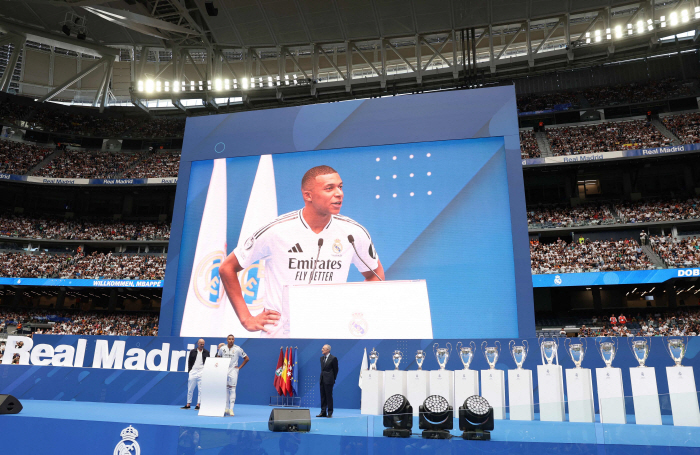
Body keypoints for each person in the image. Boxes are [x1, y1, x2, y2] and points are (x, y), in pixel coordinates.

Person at [220, 165, 385, 338]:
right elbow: (227, 268)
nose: (339, 193)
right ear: (308, 195)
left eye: (340, 187)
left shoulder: (353, 232)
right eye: (329, 188)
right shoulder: (276, 230)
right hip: (281, 336)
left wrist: (356, 309)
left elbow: (375, 274)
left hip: (331, 333)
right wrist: (246, 319)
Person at [217, 334, 249, 416]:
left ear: (234, 340)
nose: (231, 340)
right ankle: (226, 408)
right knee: (225, 389)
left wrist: (239, 368)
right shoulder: (222, 348)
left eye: (232, 339)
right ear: (227, 340)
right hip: (224, 370)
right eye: (229, 339)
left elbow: (246, 358)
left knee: (232, 389)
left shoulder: (238, 349)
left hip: (233, 370)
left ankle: (231, 409)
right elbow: (218, 357)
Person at [182, 338, 209, 410]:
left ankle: (198, 405)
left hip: (202, 371)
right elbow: (189, 362)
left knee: (201, 389)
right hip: (193, 371)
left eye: (203, 344)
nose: (202, 345)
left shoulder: (206, 352)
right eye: (201, 344)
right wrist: (190, 371)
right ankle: (188, 404)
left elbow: (208, 363)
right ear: (198, 344)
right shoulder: (192, 351)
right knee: (190, 388)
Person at [318, 344, 338, 418]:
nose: (322, 350)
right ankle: (323, 412)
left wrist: (332, 379)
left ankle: (330, 412)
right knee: (322, 396)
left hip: (329, 380)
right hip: (322, 379)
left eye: (323, 348)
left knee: (329, 396)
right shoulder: (321, 358)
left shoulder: (333, 358)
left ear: (328, 350)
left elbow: (336, 370)